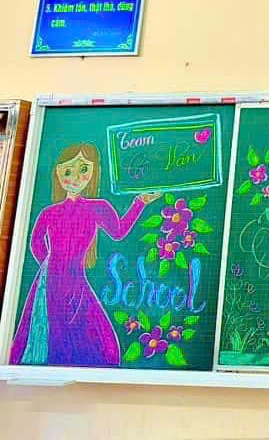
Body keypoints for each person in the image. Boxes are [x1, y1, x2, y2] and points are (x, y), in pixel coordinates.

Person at [10, 143, 160, 366]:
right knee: (52, 323)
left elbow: (118, 232)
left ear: (93, 172)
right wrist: (49, 264)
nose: (75, 177)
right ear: (58, 173)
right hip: (50, 279)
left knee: (90, 327)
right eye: (68, 171)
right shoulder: (50, 212)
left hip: (76, 278)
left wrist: (139, 203)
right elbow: (35, 241)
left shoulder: (97, 208)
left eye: (84, 170)